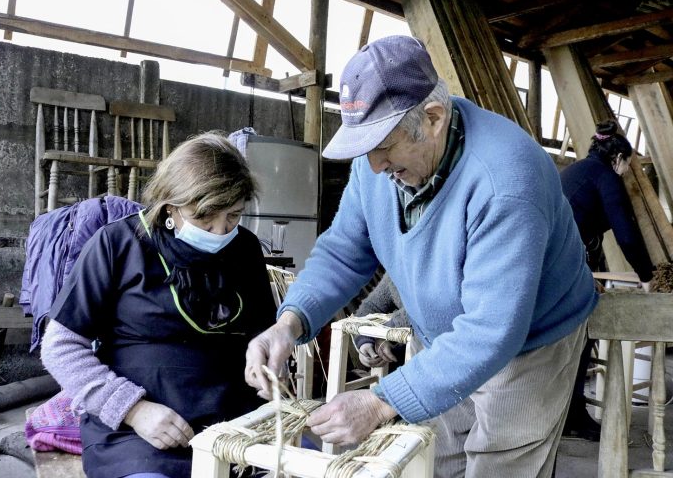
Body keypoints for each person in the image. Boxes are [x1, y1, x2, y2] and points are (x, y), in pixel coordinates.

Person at [244, 35, 599, 477]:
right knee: (437, 460)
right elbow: (343, 251)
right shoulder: (377, 157)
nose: (373, 166)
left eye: (384, 148)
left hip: (530, 339)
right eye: (365, 148)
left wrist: (380, 401)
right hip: (444, 336)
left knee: (501, 463)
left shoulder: (505, 180)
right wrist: (288, 323)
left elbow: (493, 329)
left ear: (432, 119)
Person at [40, 133, 276, 478]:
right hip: (138, 435)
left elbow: (263, 332)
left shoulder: (245, 248)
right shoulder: (118, 244)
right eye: (204, 218)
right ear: (170, 207)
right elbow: (60, 347)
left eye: (233, 216)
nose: (219, 231)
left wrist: (266, 360)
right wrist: (132, 410)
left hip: (235, 423)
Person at [559, 119, 655, 441]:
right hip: (561, 263)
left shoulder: (579, 171)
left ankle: (570, 414)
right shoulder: (605, 177)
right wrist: (647, 278)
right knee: (585, 332)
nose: (628, 171)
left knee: (577, 339)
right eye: (628, 164)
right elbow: (627, 236)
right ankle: (573, 417)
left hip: (552, 258)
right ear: (618, 159)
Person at [352, 273, 410, 368]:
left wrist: (385, 334)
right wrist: (364, 340)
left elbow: (424, 310)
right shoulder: (396, 271)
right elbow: (370, 306)